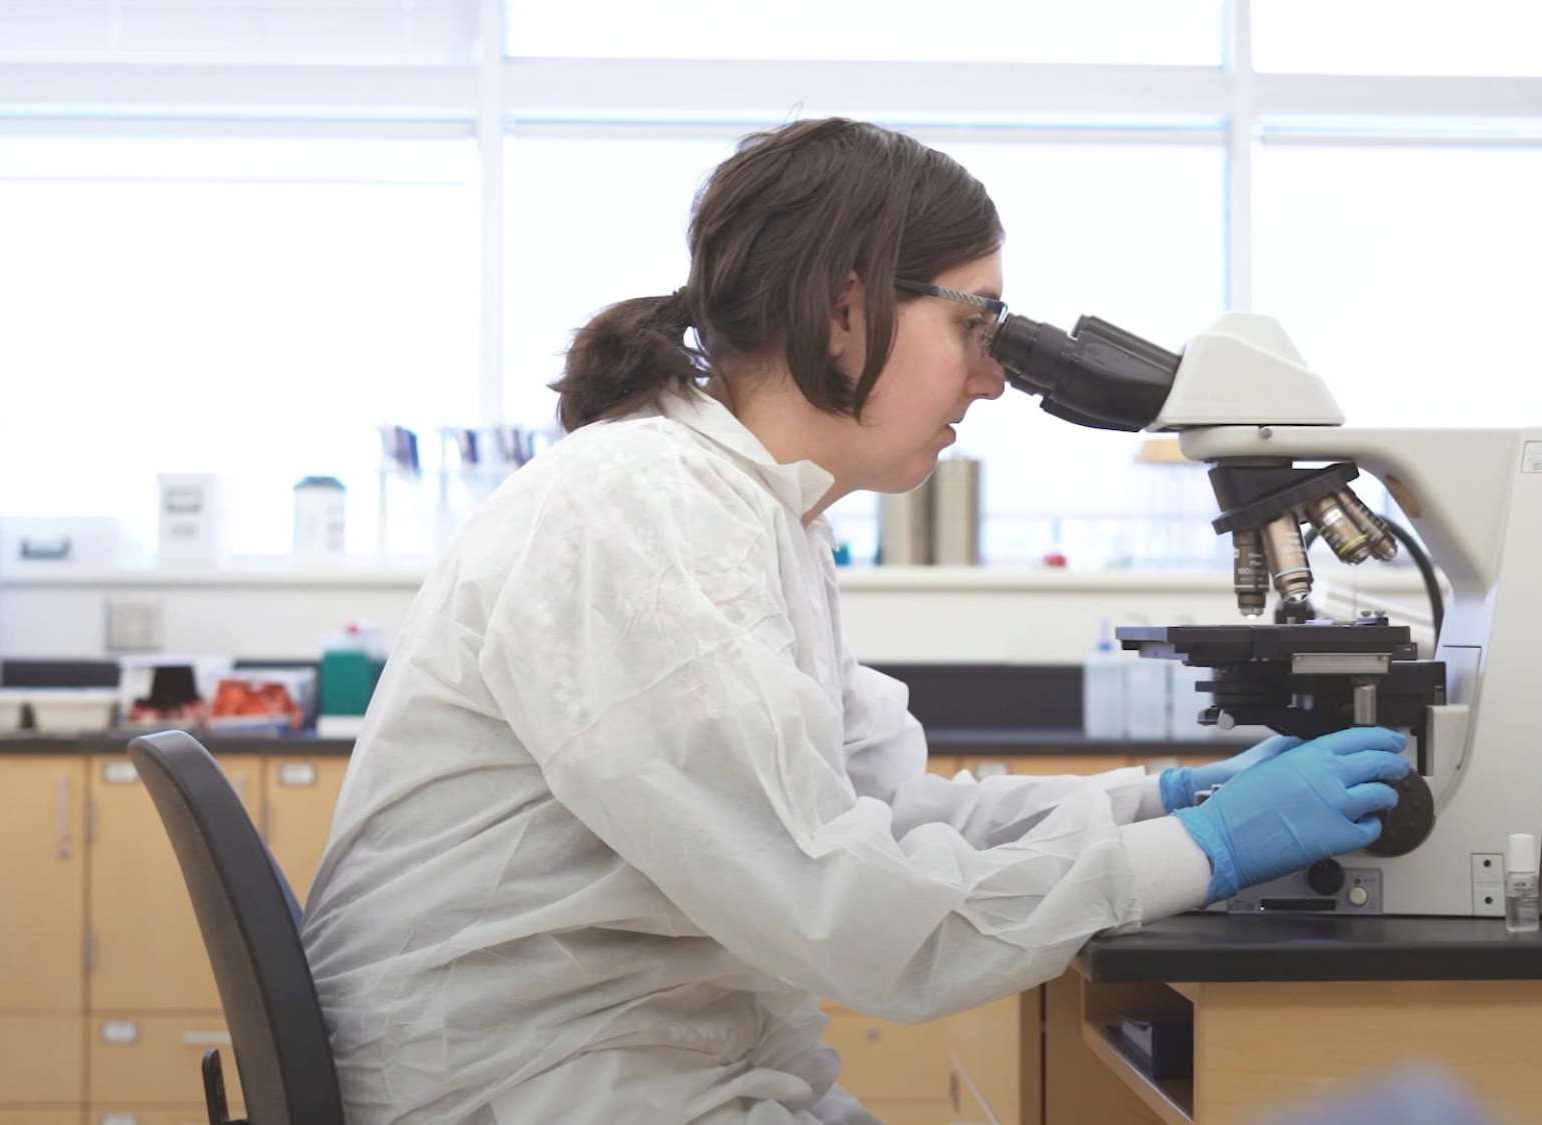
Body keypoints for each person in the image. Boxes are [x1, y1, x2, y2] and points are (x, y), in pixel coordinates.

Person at [299, 117, 1410, 1125]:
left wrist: (1161, 799)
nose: (989, 381)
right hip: (532, 1092)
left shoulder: (754, 519)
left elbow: (885, 817)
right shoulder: (641, 512)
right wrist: (1202, 852)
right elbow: (857, 912)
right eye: (976, 323)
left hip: (645, 1071)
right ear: (846, 313)